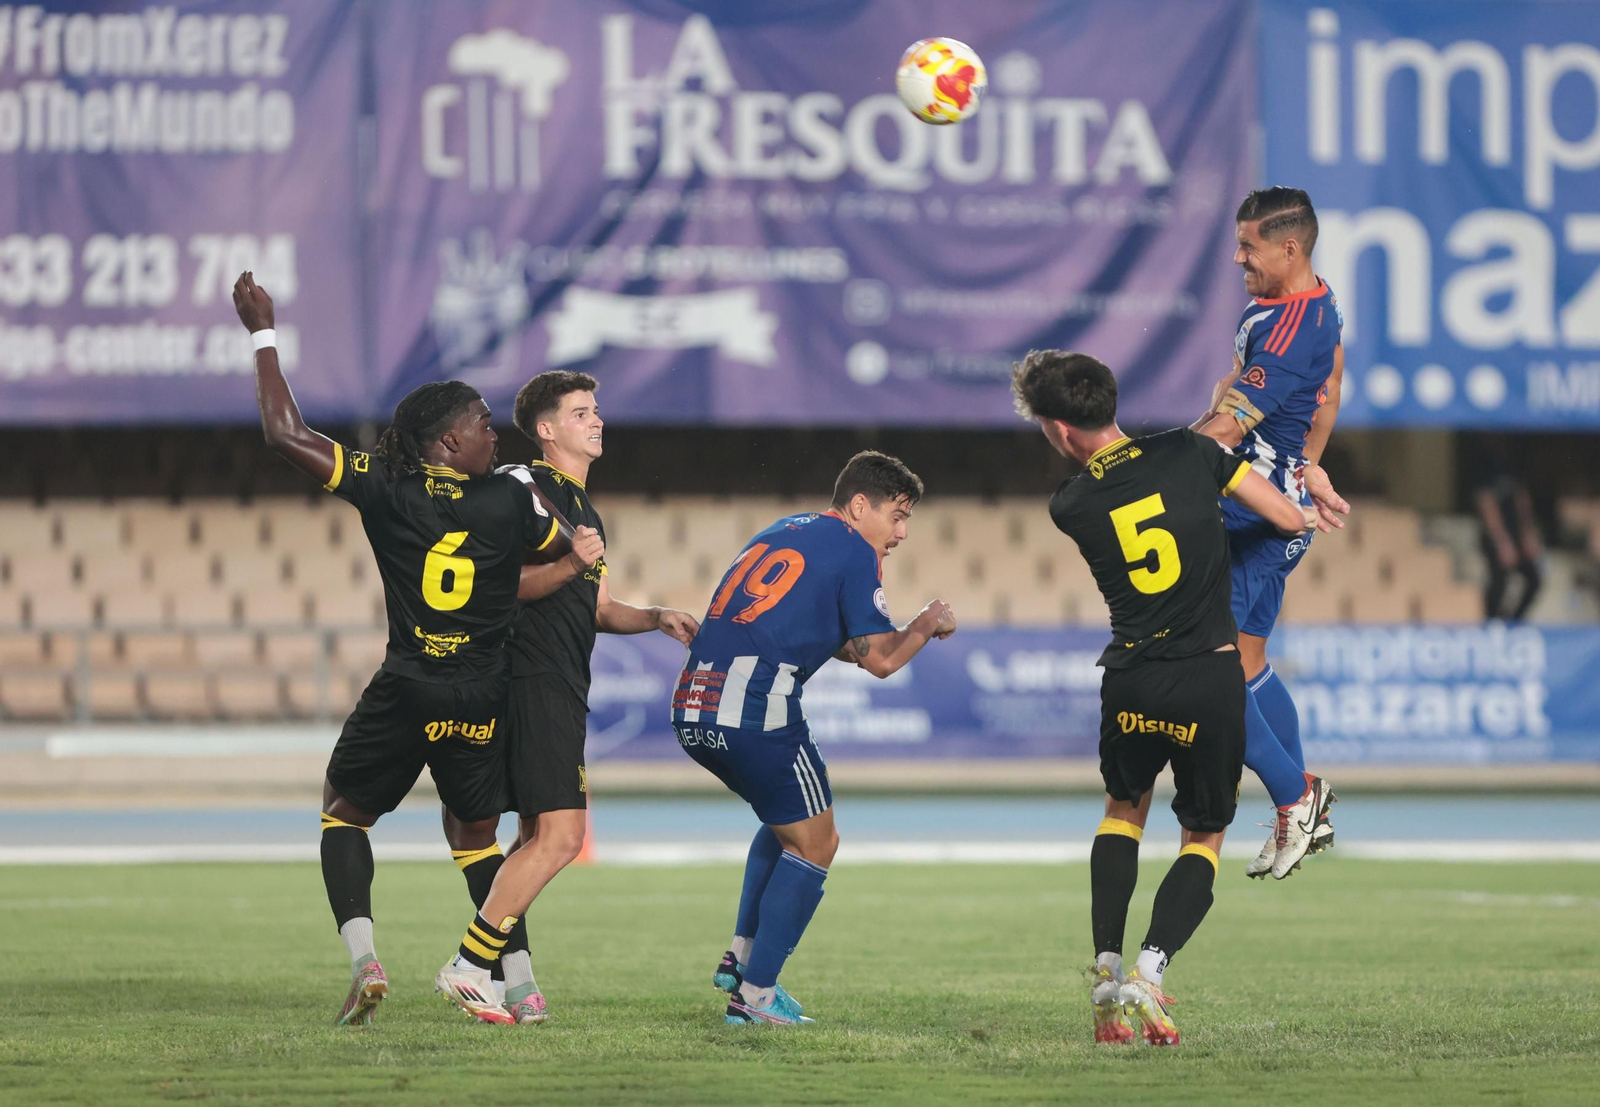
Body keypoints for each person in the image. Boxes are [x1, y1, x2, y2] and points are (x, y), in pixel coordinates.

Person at [231, 271, 565, 1027]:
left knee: (344, 813)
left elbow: (285, 433)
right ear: (450, 439)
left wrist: (262, 331)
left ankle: (366, 962)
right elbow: (550, 558)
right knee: (478, 840)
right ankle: (521, 986)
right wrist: (577, 562)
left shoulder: (385, 484)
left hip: (409, 684)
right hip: (480, 695)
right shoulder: (512, 497)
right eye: (483, 422)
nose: (494, 432)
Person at [1013, 350, 1317, 1045]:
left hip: (1131, 678)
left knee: (1123, 812)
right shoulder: (1194, 453)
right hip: (1209, 678)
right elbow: (1286, 518)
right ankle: (1150, 974)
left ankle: (1105, 978)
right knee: (1203, 833)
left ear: (1061, 430)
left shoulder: (1070, 504)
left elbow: (1128, 478)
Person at [438, 371, 699, 1025]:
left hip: (557, 681)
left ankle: (514, 982)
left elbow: (598, 607)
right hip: (530, 679)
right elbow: (489, 576)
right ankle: (470, 967)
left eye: (597, 410)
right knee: (562, 837)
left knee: (533, 837)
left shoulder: (584, 510)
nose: (597, 420)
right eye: (582, 412)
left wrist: (656, 615)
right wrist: (568, 565)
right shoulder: (522, 486)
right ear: (547, 430)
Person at [1191, 186, 1351, 880]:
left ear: (1288, 247)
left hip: (1258, 513)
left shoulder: (1289, 333)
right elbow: (1332, 385)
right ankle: (1298, 810)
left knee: (1210, 671)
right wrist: (1310, 464)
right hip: (1273, 499)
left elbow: (1227, 429)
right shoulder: (1308, 301)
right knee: (1248, 663)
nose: (1237, 257)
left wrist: (1139, 466)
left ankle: (1298, 795)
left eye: (1248, 245)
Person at [1472, 436, 1543, 622]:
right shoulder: (1485, 467)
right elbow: (1487, 504)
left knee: (1534, 579)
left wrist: (1528, 533)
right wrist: (1502, 541)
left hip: (1515, 533)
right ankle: (1491, 622)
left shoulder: (1513, 466)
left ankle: (1514, 621)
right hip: (1494, 536)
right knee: (1499, 580)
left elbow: (1522, 500)